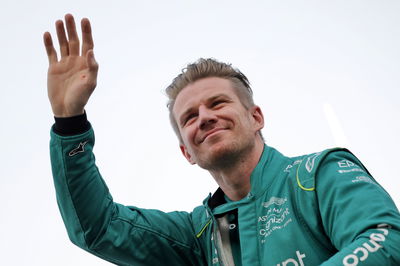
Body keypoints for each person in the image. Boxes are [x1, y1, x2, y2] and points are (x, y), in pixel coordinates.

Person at [44, 14, 400, 266]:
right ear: (187, 152)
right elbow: (100, 228)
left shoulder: (318, 175)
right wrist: (69, 122)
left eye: (218, 103)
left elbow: (386, 241)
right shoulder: (199, 237)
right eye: (189, 117)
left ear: (256, 117)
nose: (205, 117)